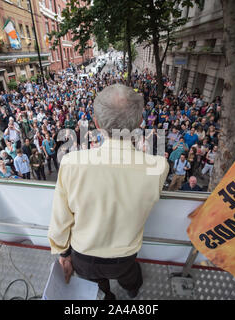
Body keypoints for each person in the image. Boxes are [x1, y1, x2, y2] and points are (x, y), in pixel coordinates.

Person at [48, 84, 169, 300]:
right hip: (125, 257)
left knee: (96, 284)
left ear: (96, 123)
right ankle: (132, 291)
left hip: (83, 255)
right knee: (130, 277)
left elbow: (60, 220)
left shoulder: (70, 163)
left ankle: (106, 296)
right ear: (140, 123)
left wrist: (64, 254)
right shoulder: (158, 166)